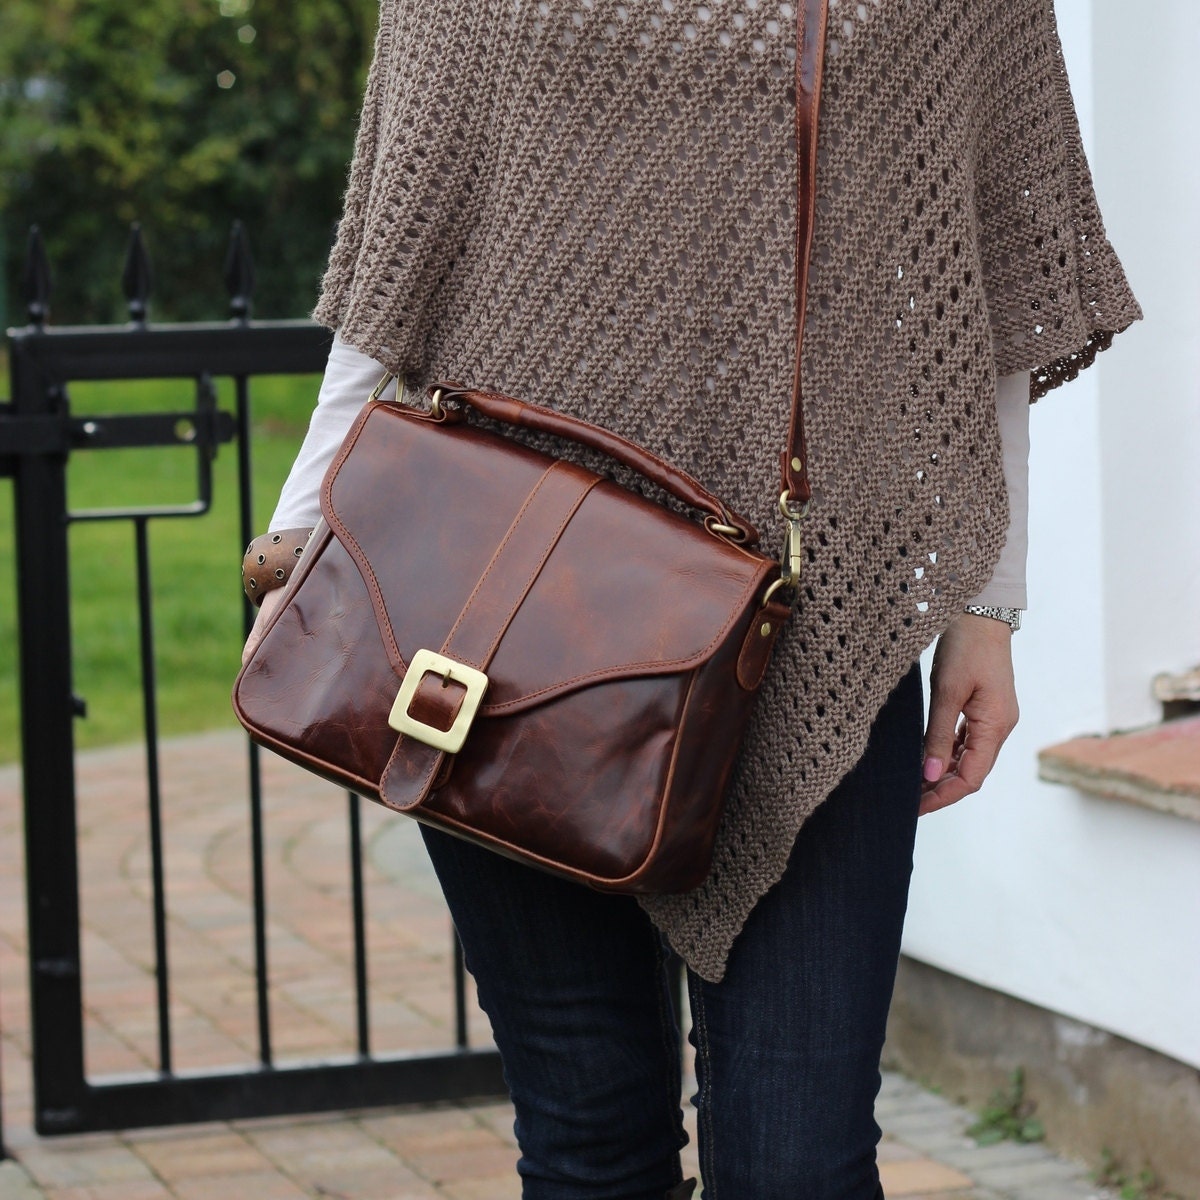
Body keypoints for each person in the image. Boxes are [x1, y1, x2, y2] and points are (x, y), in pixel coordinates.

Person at [242, 1, 1141, 1195]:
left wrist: (989, 603)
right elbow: (402, 253)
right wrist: (305, 531)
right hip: (503, 615)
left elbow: (983, 293)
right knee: (588, 1139)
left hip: (818, 631)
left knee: (800, 1161)